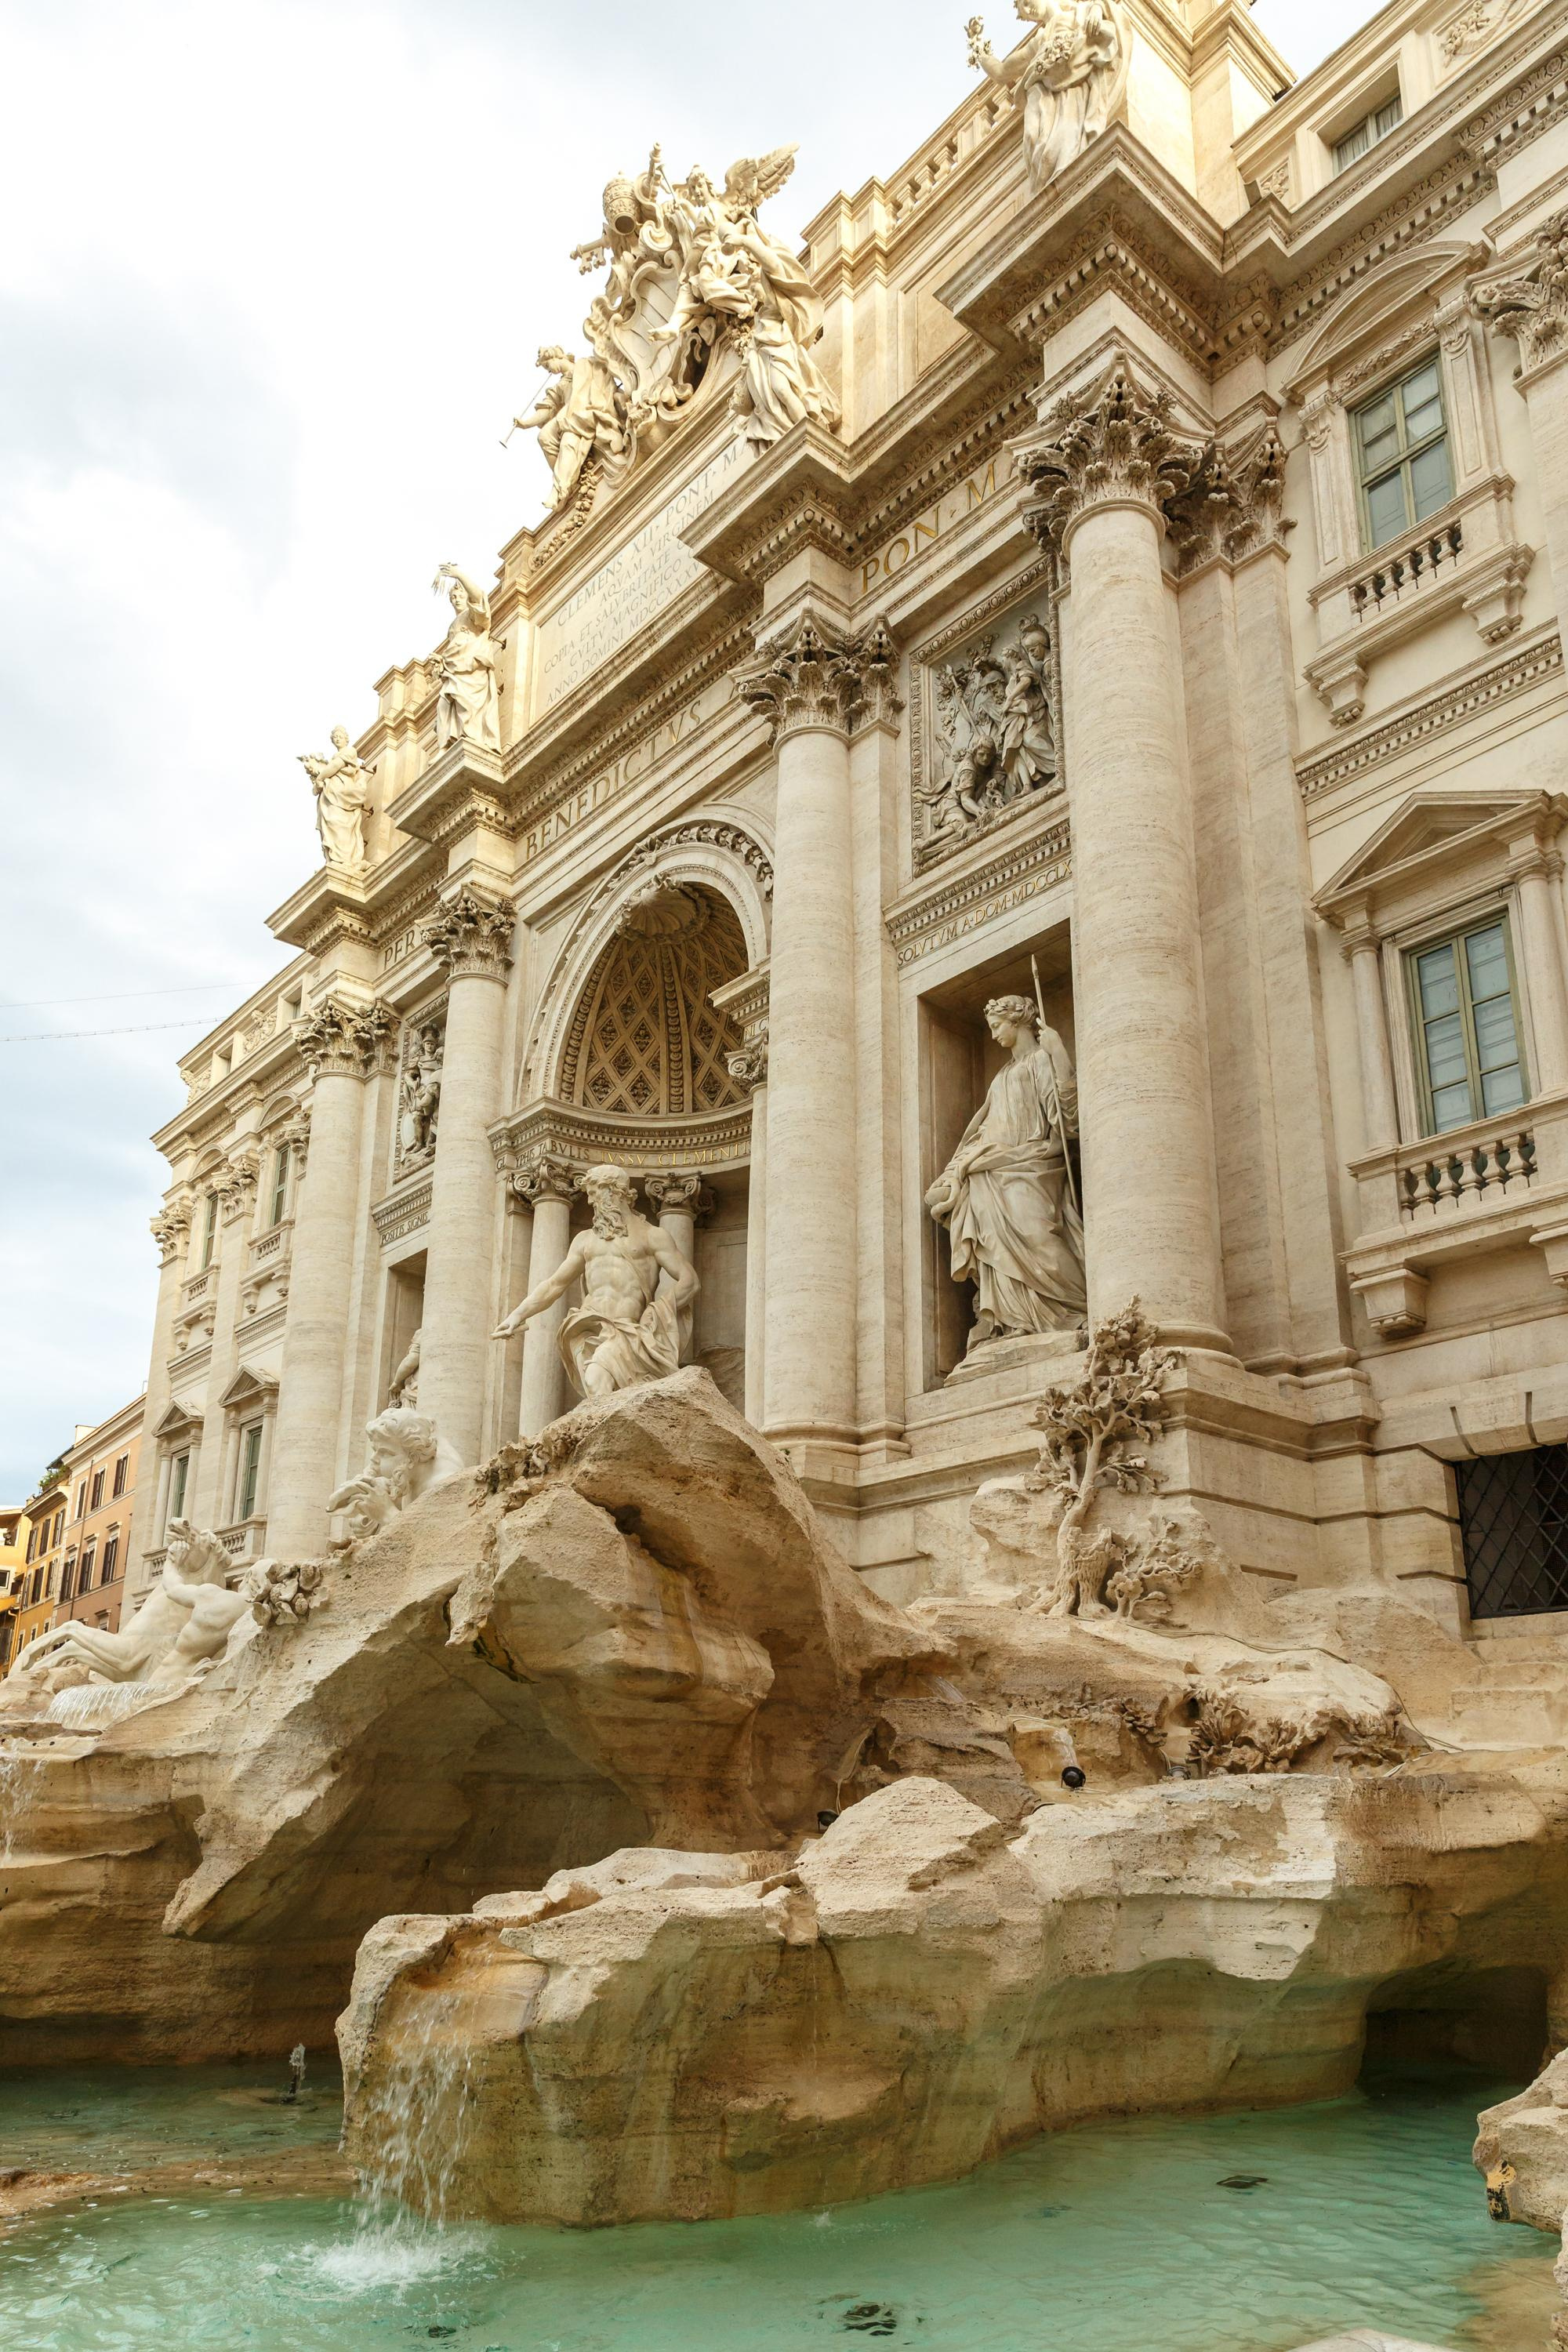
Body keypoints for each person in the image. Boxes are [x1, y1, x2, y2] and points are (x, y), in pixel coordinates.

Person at [925, 994, 1086, 1346]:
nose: (994, 1035)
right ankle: (1014, 1321)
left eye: (998, 1027)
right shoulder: (1001, 1076)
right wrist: (957, 1169)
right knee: (993, 1243)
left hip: (1033, 1163)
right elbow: (986, 1129)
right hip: (991, 1169)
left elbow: (1066, 1121)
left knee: (1038, 1234)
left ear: (1017, 1023)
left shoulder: (1041, 1061)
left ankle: (1075, 1309)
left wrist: (1059, 1054)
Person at [494, 1163, 698, 1400]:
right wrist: (517, 1316)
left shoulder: (652, 1236)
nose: (590, 1202)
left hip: (628, 1331)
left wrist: (656, 1313)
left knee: (596, 1380)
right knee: (599, 1388)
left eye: (593, 1193)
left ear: (614, 1191)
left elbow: (690, 1282)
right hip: (589, 1330)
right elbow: (554, 1285)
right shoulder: (585, 1240)